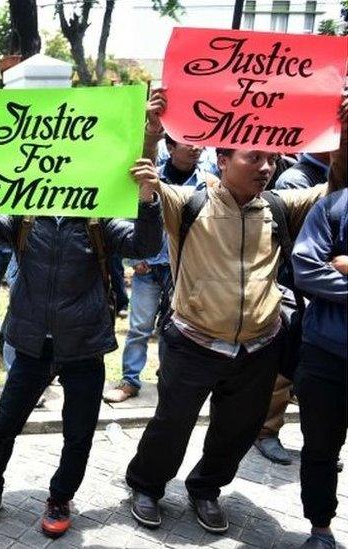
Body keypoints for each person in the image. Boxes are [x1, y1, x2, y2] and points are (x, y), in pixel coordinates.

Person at [125, 88, 343, 535]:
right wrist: (150, 131)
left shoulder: (281, 207)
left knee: (236, 433)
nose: (266, 167)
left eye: (271, 160)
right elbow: (140, 179)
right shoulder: (188, 202)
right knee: (172, 425)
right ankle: (146, 485)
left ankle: (205, 489)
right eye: (253, 158)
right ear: (222, 160)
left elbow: (335, 191)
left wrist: (343, 131)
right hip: (193, 343)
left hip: (259, 350)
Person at [0, 146, 163, 538]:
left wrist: (148, 200)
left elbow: (144, 246)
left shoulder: (98, 217)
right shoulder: (24, 214)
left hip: (84, 343)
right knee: (4, 424)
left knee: (77, 432)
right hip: (31, 341)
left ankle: (61, 497)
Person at [104, 135, 213, 403]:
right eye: (188, 142)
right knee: (140, 327)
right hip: (148, 268)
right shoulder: (150, 178)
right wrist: (134, 259)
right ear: (171, 147)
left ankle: (168, 380)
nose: (196, 147)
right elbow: (128, 215)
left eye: (199, 143)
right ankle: (130, 380)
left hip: (183, 269)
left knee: (175, 328)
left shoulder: (208, 183)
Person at [254, 150, 332, 465]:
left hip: (318, 289)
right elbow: (286, 240)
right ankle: (266, 432)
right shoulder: (295, 180)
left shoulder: (328, 177)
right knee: (283, 368)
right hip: (293, 288)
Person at [291, 184, 347, 549]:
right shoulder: (333, 208)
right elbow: (307, 271)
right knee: (320, 450)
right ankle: (321, 530)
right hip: (325, 356)